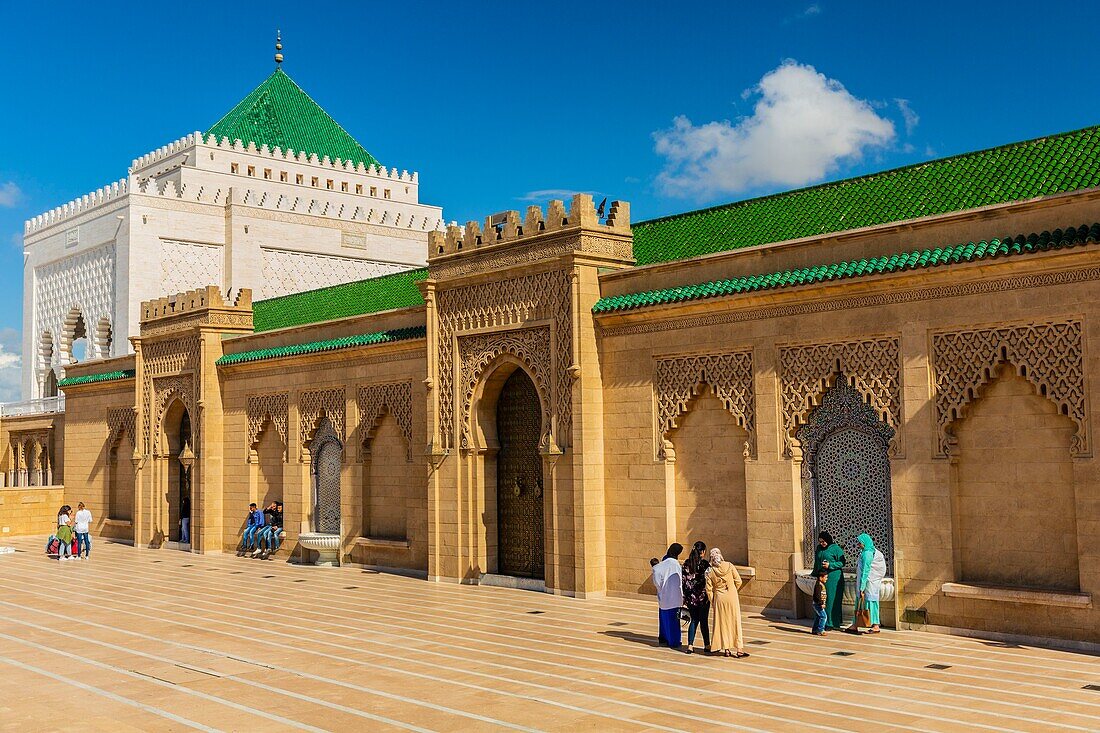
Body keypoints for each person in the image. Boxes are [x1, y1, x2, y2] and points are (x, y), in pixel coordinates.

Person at [705, 547, 747, 658]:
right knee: (735, 621)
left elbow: (708, 589)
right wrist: (733, 590)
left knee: (723, 623)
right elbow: (739, 581)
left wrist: (712, 601)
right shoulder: (730, 565)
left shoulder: (710, 571)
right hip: (731, 596)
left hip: (719, 598)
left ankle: (727, 650)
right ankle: (739, 649)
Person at [848, 533, 887, 635]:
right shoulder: (866, 552)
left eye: (860, 542)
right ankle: (855, 625)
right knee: (862, 603)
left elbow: (866, 571)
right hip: (867, 582)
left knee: (870, 602)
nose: (858, 544)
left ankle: (875, 625)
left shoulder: (867, 554)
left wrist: (862, 587)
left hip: (869, 582)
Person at [651, 543, 684, 649]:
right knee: (674, 621)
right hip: (675, 599)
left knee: (664, 620)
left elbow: (657, 582)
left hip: (664, 599)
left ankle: (663, 639)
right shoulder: (677, 565)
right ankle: (674, 642)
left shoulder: (659, 566)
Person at [812, 531, 846, 631]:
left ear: (828, 540)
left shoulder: (835, 548)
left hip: (833, 578)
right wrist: (815, 574)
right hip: (822, 577)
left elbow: (842, 562)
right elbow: (816, 562)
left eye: (823, 541)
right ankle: (822, 622)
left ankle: (831, 623)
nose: (822, 543)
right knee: (821, 598)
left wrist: (830, 565)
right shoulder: (819, 548)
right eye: (820, 542)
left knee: (831, 600)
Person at [681, 541, 710, 654]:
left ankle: (690, 645)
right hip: (703, 598)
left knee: (693, 620)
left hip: (691, 598)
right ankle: (707, 645)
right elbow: (709, 580)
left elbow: (683, 581)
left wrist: (685, 596)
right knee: (704, 621)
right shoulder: (705, 564)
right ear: (702, 552)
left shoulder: (687, 564)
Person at [811, 570, 829, 636]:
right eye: (826, 577)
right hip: (817, 604)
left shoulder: (820, 585)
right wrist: (821, 603)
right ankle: (820, 630)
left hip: (818, 604)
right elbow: (817, 596)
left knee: (818, 617)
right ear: (821, 578)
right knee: (823, 616)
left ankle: (815, 630)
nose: (826, 579)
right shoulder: (818, 585)